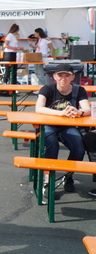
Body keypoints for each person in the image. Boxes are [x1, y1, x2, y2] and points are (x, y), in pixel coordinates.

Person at [35, 63, 90, 197]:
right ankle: (48, 182)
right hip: (49, 125)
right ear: (54, 76)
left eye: (67, 76)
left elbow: (87, 110)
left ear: (73, 77)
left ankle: (68, 176)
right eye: (60, 76)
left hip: (68, 127)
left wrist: (78, 112)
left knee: (79, 148)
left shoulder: (79, 90)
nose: (63, 79)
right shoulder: (47, 88)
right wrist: (61, 113)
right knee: (52, 146)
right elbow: (39, 108)